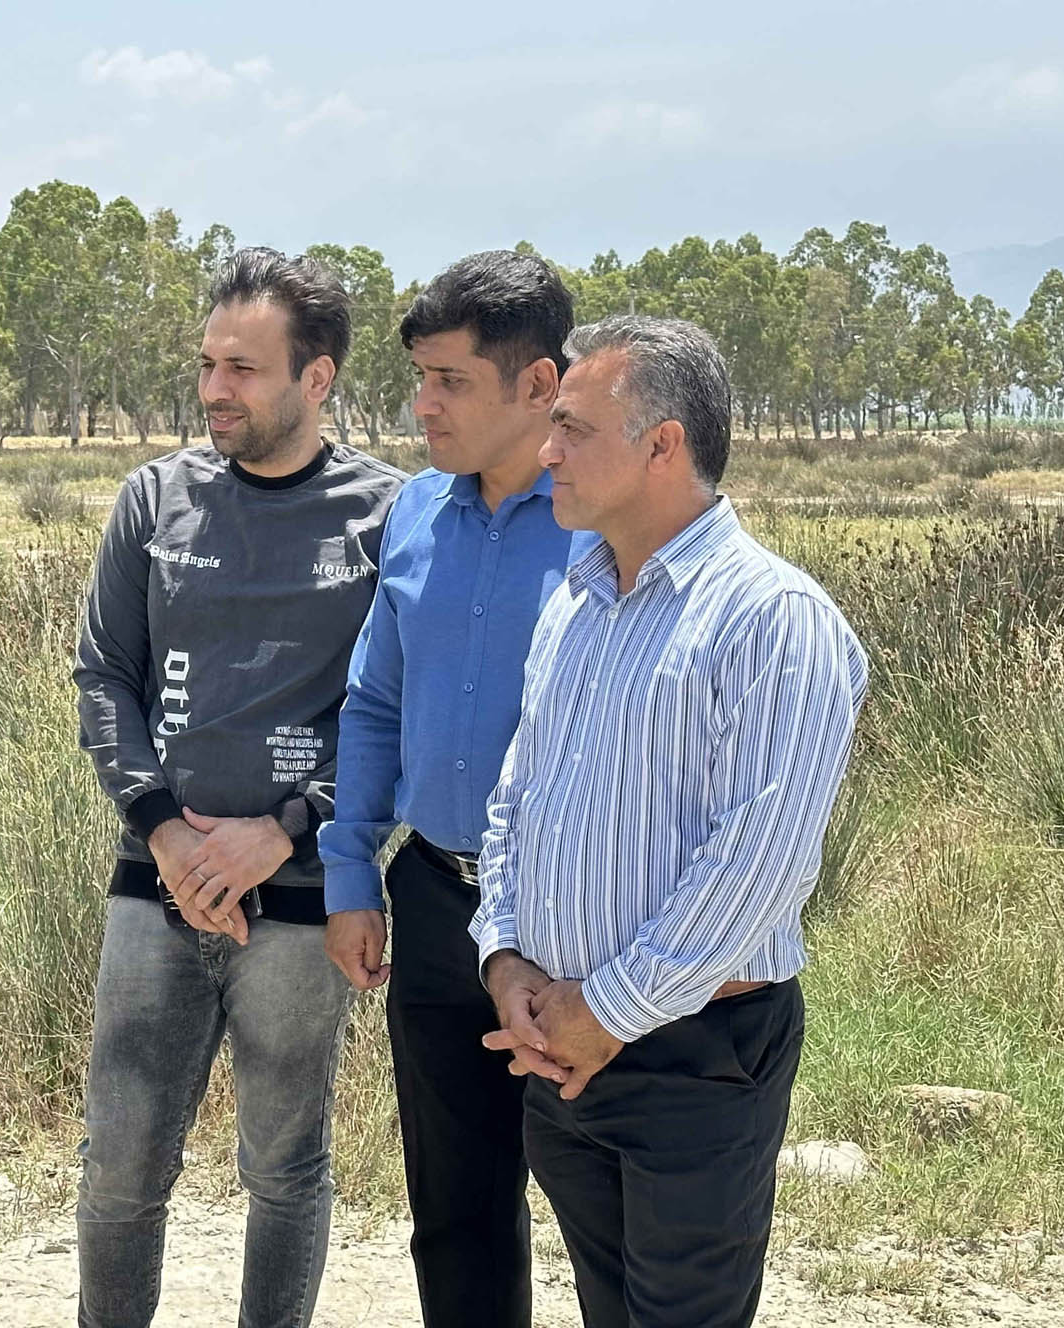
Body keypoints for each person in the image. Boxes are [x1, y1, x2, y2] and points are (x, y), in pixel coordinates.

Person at [471, 316, 867, 1328]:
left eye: (573, 426)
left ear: (662, 445)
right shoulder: (576, 602)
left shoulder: (773, 618)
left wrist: (606, 1010)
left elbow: (759, 862)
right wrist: (505, 958)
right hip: (560, 1051)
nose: (546, 450)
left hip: (696, 1056)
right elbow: (517, 800)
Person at [71, 247, 403, 1327]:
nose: (215, 388)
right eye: (208, 364)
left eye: (244, 369)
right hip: (156, 886)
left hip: (303, 902)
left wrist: (287, 829)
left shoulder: (390, 516)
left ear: (318, 377)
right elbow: (104, 677)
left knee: (284, 1170)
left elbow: (401, 712)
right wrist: (165, 833)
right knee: (120, 1170)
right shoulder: (154, 499)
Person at [318, 250, 580, 1327]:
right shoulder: (416, 513)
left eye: (450, 381)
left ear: (538, 384)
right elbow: (376, 702)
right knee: (455, 1215)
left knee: (608, 1210)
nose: (421, 405)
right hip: (431, 901)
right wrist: (351, 873)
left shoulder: (609, 522)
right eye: (419, 378)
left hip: (577, 915)